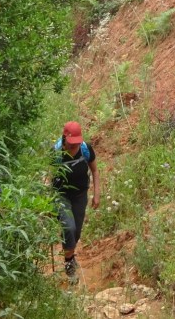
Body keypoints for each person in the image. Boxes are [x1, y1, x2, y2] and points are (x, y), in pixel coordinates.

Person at [52, 121, 99, 282]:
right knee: (69, 227)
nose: (74, 148)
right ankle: (69, 265)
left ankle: (70, 256)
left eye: (76, 144)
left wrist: (97, 193)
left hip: (80, 194)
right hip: (61, 195)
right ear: (65, 138)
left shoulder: (85, 149)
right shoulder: (56, 152)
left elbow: (94, 170)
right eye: (71, 145)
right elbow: (48, 176)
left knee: (76, 231)